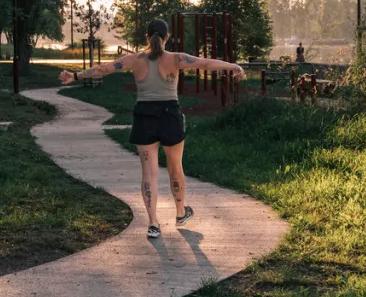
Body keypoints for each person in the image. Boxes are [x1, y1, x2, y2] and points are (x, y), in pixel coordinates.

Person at [59, 18, 245, 239]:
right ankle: (180, 213)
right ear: (166, 38)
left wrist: (75, 76)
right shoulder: (176, 59)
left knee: (149, 173)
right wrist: (233, 66)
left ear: (146, 37)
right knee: (175, 167)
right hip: (170, 116)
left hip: (144, 116)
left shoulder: (135, 59)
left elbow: (104, 69)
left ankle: (153, 223)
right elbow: (205, 63)